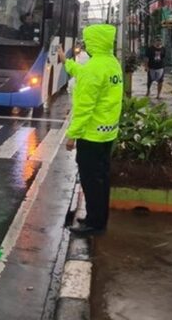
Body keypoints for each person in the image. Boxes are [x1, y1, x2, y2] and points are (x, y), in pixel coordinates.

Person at [57, 24, 123, 236]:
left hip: (91, 136)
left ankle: (94, 225)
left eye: (87, 41)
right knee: (101, 179)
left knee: (91, 180)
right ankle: (98, 218)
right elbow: (83, 72)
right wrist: (66, 62)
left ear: (94, 42)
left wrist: (72, 136)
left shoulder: (95, 68)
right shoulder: (111, 63)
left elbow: (84, 109)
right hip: (107, 133)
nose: (85, 45)